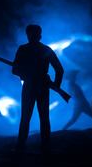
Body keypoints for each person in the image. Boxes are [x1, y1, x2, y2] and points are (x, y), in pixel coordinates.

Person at [12, 25, 64, 154]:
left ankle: (21, 148)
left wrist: (24, 73)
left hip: (30, 86)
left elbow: (15, 70)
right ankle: (45, 148)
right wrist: (56, 85)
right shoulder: (45, 49)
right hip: (40, 87)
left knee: (27, 119)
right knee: (43, 119)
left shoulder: (23, 49)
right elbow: (59, 70)